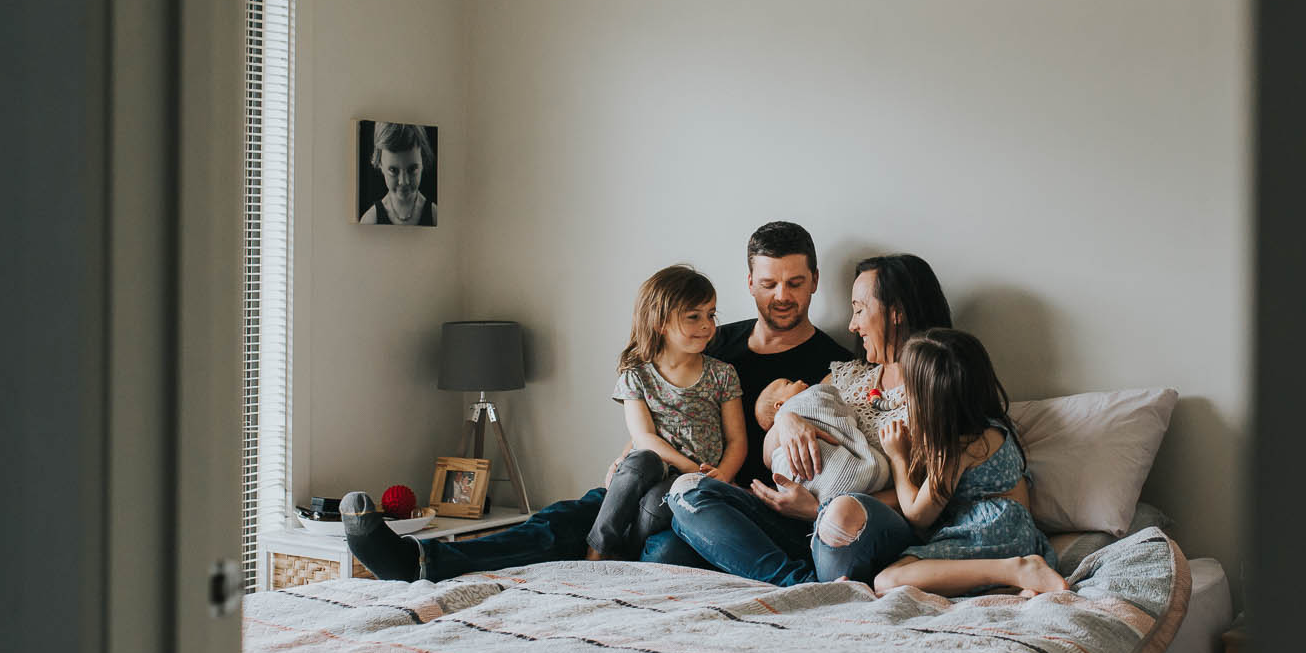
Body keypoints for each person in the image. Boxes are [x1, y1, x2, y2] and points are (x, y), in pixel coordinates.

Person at [341, 220, 846, 581]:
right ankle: (422, 562)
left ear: (815, 283)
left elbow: (845, 461)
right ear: (750, 284)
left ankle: (605, 566)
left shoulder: (833, 365)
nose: (782, 295)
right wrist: (635, 455)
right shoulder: (713, 342)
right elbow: (666, 406)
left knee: (662, 551)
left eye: (796, 283)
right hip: (664, 480)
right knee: (570, 515)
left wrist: (797, 424)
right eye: (768, 283)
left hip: (737, 506)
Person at [666, 253, 963, 585]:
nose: (852, 324)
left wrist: (817, 508)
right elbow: (772, 445)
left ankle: (814, 577)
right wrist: (787, 419)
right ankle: (798, 584)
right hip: (794, 518)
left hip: (862, 524)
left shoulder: (937, 390)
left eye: (860, 309)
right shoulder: (846, 376)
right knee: (687, 492)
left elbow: (927, 493)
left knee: (841, 514)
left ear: (897, 313)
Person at [867, 328, 1066, 597]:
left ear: (931, 401)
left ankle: (1014, 571)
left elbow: (919, 515)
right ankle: (1007, 583)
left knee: (887, 581)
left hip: (988, 532)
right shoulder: (993, 427)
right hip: (1018, 533)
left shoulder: (958, 447)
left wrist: (898, 458)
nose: (904, 396)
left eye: (911, 389)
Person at [585, 265, 745, 559]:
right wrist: (686, 465)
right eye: (693, 317)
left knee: (663, 497)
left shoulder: (722, 374)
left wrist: (722, 476)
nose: (707, 325)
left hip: (695, 481)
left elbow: (737, 440)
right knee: (640, 461)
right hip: (656, 467)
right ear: (661, 322)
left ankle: (626, 555)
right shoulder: (637, 377)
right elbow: (644, 437)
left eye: (710, 314)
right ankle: (596, 550)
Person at [754, 377, 888, 503]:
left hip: (832, 503)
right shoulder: (803, 403)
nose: (799, 380)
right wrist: (785, 417)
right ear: (780, 405)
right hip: (828, 496)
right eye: (788, 383)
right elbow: (771, 459)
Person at [358, 121, 435, 225]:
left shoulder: (436, 216)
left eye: (412, 169)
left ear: (423, 161)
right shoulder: (370, 220)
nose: (403, 181)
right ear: (380, 164)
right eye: (393, 170)